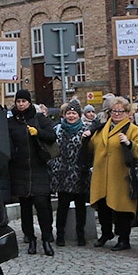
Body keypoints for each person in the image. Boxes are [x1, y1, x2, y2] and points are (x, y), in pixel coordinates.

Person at [83, 96, 138, 250]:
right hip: (101, 175)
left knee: (122, 208)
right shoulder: (102, 128)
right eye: (114, 111)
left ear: (127, 112)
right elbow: (93, 148)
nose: (117, 114)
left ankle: (124, 239)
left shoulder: (133, 129)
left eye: (121, 111)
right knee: (103, 205)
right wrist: (86, 139)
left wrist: (129, 143)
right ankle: (106, 233)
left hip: (121, 176)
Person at [7, 89, 57, 257]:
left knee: (43, 205)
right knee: (25, 208)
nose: (21, 104)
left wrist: (38, 132)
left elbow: (52, 136)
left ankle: (46, 238)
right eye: (18, 101)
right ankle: (31, 238)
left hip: (39, 169)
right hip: (20, 170)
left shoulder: (39, 119)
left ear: (29, 102)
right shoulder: (11, 123)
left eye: (24, 101)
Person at [48, 100, 90, 246]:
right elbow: (51, 150)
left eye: (74, 113)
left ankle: (80, 234)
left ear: (79, 115)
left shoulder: (86, 130)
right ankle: (60, 234)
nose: (71, 116)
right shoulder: (58, 129)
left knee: (80, 207)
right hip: (62, 173)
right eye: (68, 113)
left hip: (79, 174)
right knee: (62, 206)